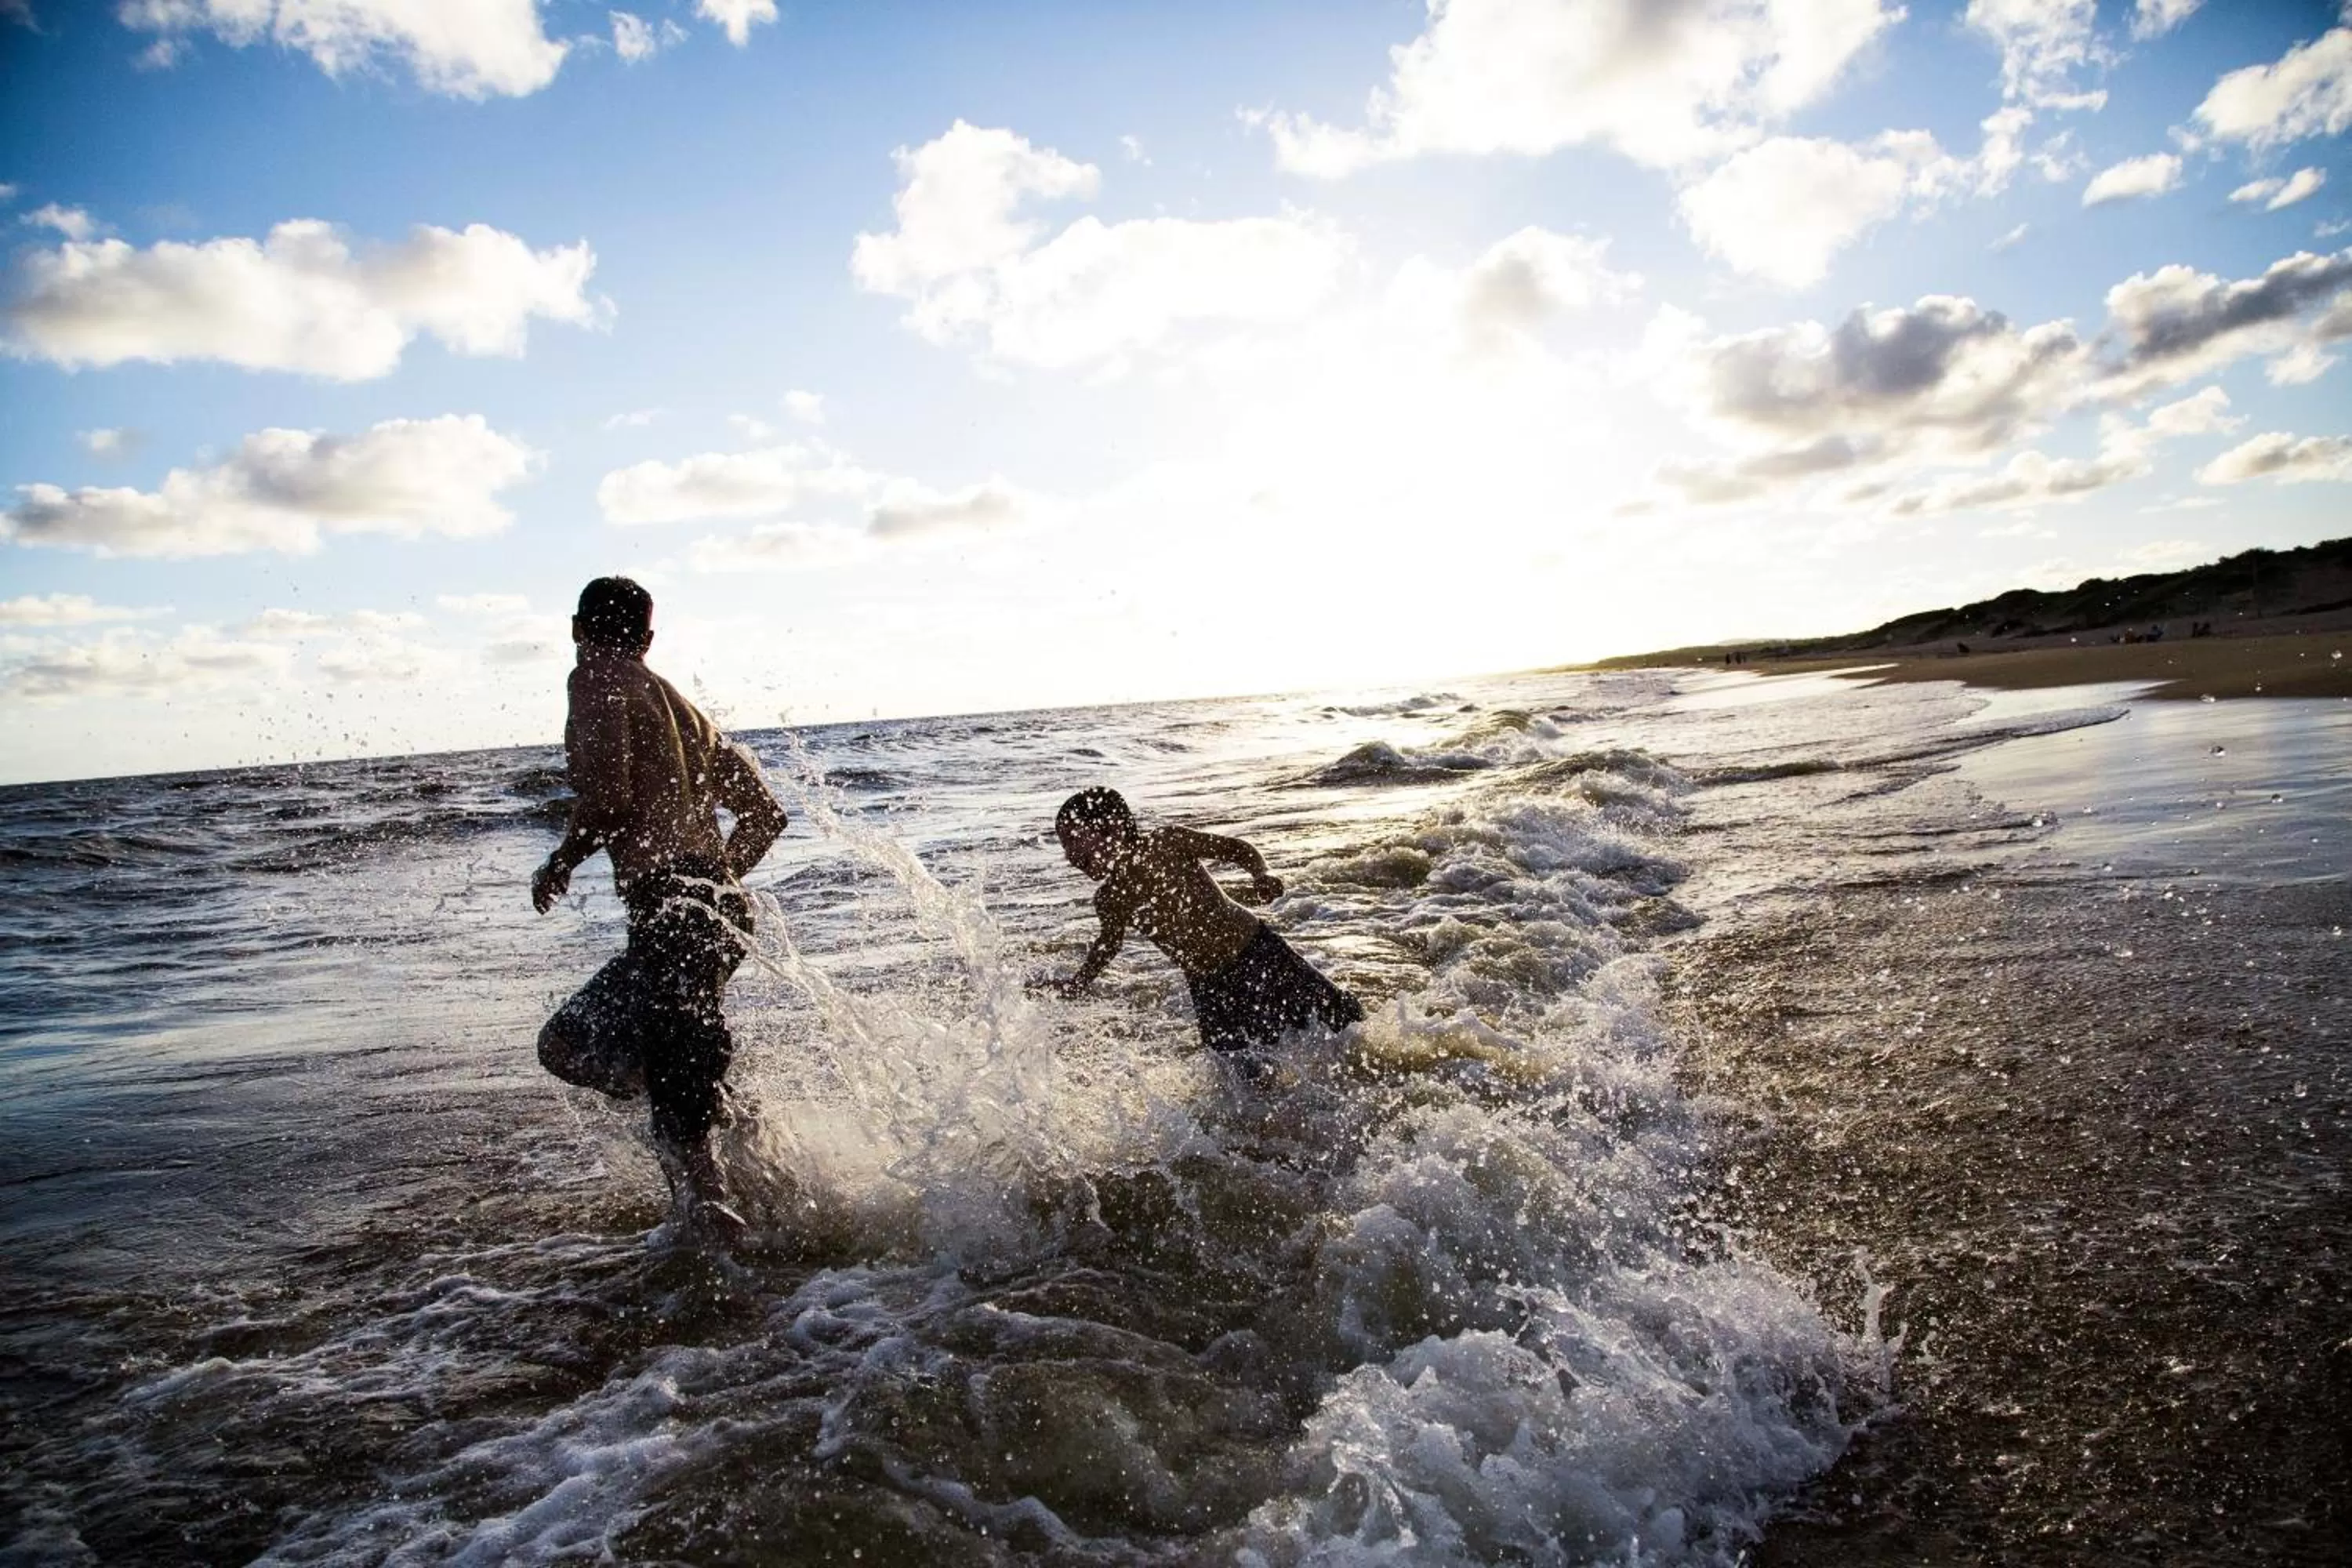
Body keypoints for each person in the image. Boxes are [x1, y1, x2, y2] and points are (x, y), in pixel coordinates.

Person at [530, 576, 786, 1236]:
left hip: (672, 910)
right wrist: (713, 883)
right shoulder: (684, 710)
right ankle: (735, 1144)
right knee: (672, 1063)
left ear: (577, 629)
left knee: (567, 1045)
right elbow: (766, 815)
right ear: (648, 638)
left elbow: (610, 799)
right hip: (716, 912)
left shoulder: (594, 677)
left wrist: (562, 860)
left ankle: (715, 1237)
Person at [1042, 788, 1362, 1071]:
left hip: (1257, 953)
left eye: (1073, 840)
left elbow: (1237, 849)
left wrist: (1261, 874)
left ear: (1111, 827)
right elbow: (1108, 945)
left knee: (1344, 1024)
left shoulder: (1167, 843)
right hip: (1208, 989)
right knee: (1241, 1077)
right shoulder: (1110, 898)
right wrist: (1078, 983)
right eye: (1065, 847)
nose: (1070, 856)